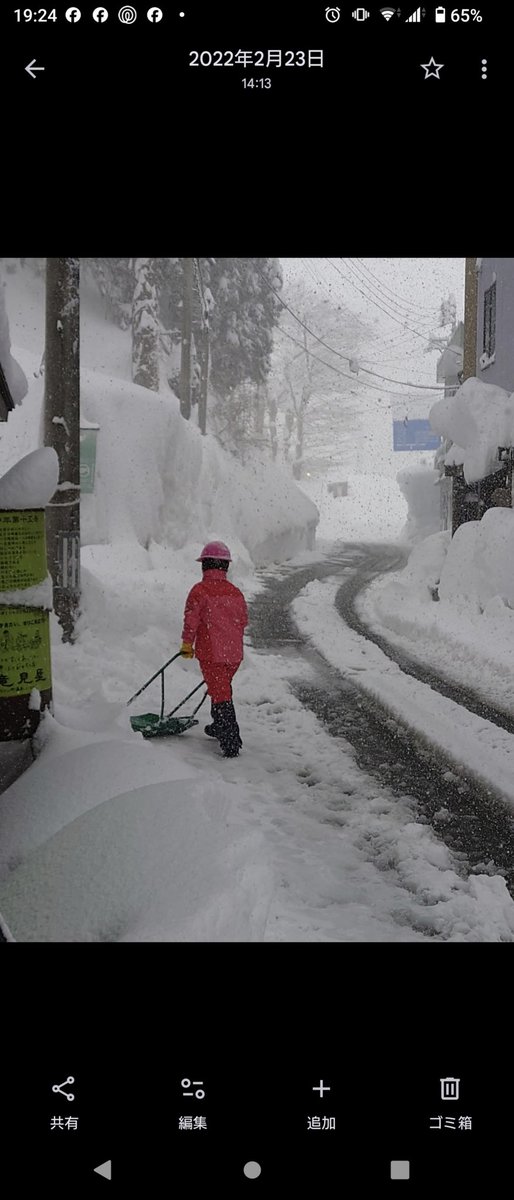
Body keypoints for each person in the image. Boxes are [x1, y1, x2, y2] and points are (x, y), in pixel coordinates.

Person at [180, 542, 248, 758]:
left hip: (212, 653)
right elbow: (243, 620)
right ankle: (219, 726)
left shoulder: (199, 591)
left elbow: (191, 620)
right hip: (234, 655)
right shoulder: (235, 592)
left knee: (220, 693)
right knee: (221, 688)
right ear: (226, 566)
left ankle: (231, 741)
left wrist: (187, 644)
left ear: (204, 566)